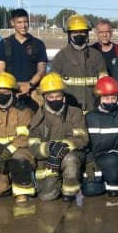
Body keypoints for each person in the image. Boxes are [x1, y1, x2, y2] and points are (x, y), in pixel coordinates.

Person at [0, 72, 36, 203]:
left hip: (18, 153)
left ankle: (22, 191)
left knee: (20, 158)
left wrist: (9, 149)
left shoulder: (24, 111)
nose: (1, 96)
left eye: (5, 92)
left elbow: (25, 137)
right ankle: (8, 180)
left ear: (13, 93)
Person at [29, 72, 88, 202]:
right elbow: (33, 146)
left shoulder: (75, 113)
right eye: (51, 97)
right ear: (44, 97)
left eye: (58, 96)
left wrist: (62, 147)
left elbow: (82, 138)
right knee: (47, 196)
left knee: (70, 161)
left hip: (69, 155)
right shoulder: (38, 117)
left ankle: (70, 193)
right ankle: (54, 184)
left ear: (64, 96)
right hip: (48, 160)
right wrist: (50, 149)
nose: (55, 99)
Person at [82, 76, 118, 197]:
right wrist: (89, 161)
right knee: (90, 191)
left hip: (112, 158)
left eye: (113, 98)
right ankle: (101, 180)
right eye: (106, 98)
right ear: (99, 98)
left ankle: (112, 182)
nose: (111, 101)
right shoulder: (89, 118)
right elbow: (84, 144)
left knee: (113, 189)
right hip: (94, 159)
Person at [51, 14, 108, 112]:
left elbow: (104, 83)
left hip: (93, 110)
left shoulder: (96, 56)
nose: (79, 35)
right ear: (69, 34)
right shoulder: (61, 57)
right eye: (75, 32)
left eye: (82, 32)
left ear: (87, 34)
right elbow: (53, 86)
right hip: (69, 112)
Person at [0, 8, 48, 96]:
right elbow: (1, 69)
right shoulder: (4, 44)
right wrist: (13, 86)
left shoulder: (38, 44)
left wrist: (29, 85)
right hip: (11, 89)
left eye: (26, 22)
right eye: (19, 22)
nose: (23, 26)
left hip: (33, 90)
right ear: (12, 23)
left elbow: (42, 70)